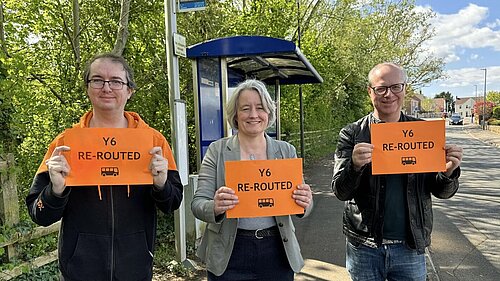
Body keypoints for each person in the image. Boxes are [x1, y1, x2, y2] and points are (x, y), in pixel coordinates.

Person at [26, 53, 183, 281]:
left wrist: (161, 185)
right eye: (97, 80)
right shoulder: (65, 143)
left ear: (129, 91)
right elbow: (38, 213)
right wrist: (56, 191)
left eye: (116, 81)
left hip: (135, 270)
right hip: (79, 272)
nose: (106, 88)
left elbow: (173, 203)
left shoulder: (153, 142)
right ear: (88, 88)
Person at [331, 62, 463, 281]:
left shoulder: (424, 133)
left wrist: (448, 173)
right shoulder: (353, 133)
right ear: (370, 92)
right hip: (364, 246)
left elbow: (443, 192)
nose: (388, 94)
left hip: (410, 246)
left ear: (405, 89)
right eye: (381, 88)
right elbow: (340, 191)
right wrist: (354, 167)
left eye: (395, 87)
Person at [191, 79, 313, 281]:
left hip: (277, 251)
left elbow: (304, 207)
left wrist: (305, 202)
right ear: (236, 115)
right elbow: (197, 204)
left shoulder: (285, 151)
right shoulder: (217, 150)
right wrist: (215, 206)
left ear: (269, 113)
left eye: (260, 108)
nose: (253, 115)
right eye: (245, 108)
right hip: (229, 253)